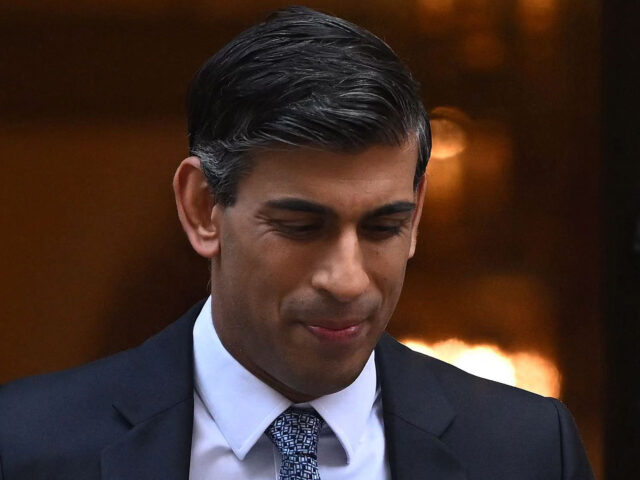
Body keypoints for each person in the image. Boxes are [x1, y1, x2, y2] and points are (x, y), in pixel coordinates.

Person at [0, 6, 594, 480]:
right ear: (203, 208)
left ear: (417, 218)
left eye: (384, 226)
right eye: (301, 227)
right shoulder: (28, 446)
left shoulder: (527, 451)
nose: (347, 279)